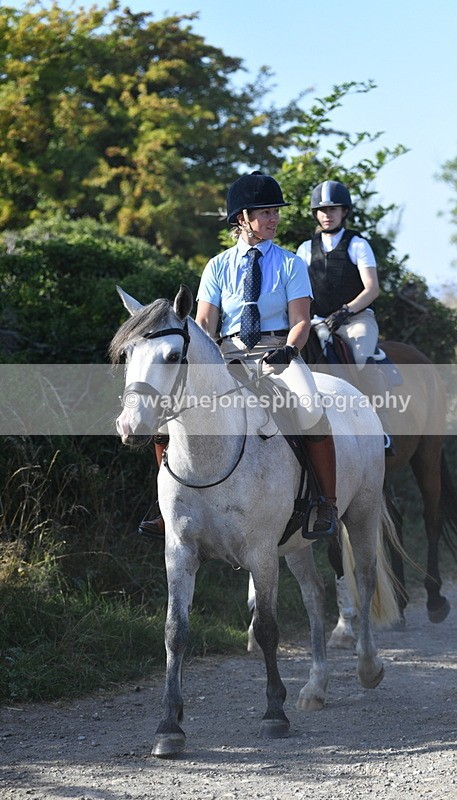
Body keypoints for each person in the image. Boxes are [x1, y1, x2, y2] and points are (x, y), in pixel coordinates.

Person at [139, 171, 339, 540]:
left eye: (275, 212)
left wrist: (288, 351)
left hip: (278, 353)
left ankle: (326, 501)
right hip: (227, 357)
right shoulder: (217, 266)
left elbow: (301, 321)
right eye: (265, 212)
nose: (274, 219)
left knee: (310, 405)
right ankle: (167, 509)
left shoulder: (291, 263)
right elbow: (203, 325)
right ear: (241, 219)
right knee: (165, 421)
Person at [295, 179, 394, 455]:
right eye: (322, 210)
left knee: (360, 358)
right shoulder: (304, 249)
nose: (327, 215)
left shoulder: (358, 245)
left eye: (333, 209)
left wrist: (346, 311)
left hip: (355, 319)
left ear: (344, 211)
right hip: (317, 321)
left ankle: (380, 426)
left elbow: (372, 288)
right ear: (316, 213)